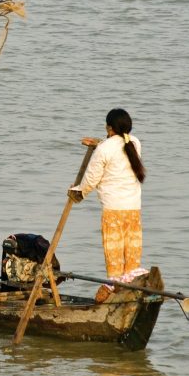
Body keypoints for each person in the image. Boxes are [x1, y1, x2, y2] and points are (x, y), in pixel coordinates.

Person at [69, 108, 146, 279]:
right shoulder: (134, 143)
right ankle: (132, 282)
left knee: (114, 255)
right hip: (133, 209)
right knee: (132, 253)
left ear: (108, 128)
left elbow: (91, 180)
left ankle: (115, 286)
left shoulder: (104, 149)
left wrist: (77, 192)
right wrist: (99, 144)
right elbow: (117, 148)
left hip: (113, 210)